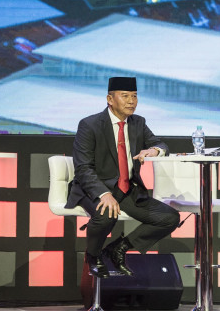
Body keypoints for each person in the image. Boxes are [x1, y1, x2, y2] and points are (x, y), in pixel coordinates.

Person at [65, 77, 180, 278]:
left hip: (127, 189)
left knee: (169, 217)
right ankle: (93, 256)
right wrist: (103, 194)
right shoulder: (90, 124)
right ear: (110, 99)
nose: (131, 101)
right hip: (93, 187)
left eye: (134, 96)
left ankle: (118, 248)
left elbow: (162, 145)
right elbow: (83, 168)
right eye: (125, 96)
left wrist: (154, 151)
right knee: (106, 215)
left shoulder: (138, 123)